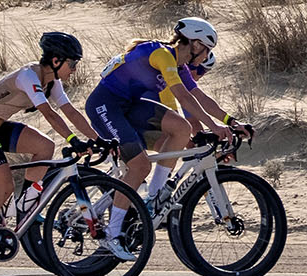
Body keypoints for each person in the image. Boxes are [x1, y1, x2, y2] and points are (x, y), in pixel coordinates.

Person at [83, 16, 238, 259]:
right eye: (206, 50)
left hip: (130, 107)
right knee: (140, 166)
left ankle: (154, 196)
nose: (206, 56)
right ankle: (112, 234)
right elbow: (183, 97)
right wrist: (213, 126)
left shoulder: (179, 65)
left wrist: (231, 122)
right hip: (106, 106)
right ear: (196, 44)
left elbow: (199, 96)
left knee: (180, 128)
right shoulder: (163, 55)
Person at [0, 31, 98, 266]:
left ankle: (25, 205)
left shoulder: (52, 82)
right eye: (72, 63)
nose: (74, 69)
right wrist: (73, 140)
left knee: (45, 146)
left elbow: (71, 112)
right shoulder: (28, 76)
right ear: (56, 61)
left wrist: (97, 139)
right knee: (4, 186)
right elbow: (49, 114)